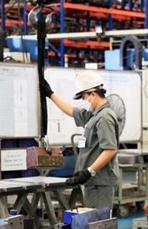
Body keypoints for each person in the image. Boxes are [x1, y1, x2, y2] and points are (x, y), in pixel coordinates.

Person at [41, 70, 118, 209]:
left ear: (93, 94)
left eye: (84, 97)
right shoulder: (94, 116)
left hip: (99, 182)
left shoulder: (104, 117)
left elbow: (110, 150)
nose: (84, 101)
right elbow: (71, 110)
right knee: (94, 222)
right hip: (93, 181)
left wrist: (89, 171)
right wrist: (50, 94)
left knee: (98, 223)